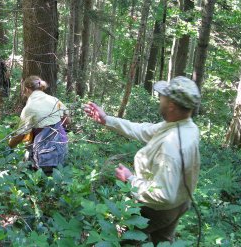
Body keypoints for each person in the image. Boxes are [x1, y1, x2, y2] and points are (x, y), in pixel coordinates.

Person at [84, 76, 201, 245]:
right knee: (162, 242)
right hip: (180, 202)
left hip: (157, 209)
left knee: (125, 239)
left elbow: (164, 195)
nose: (159, 99)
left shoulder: (171, 146)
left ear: (171, 105)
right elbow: (143, 130)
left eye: (163, 96)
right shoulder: (185, 126)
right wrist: (106, 119)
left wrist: (130, 179)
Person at [8, 76, 69, 175]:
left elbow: (20, 135)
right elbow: (67, 120)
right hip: (62, 145)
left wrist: (9, 146)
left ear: (26, 89)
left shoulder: (29, 108)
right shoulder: (55, 100)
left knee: (37, 178)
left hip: (45, 152)